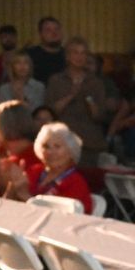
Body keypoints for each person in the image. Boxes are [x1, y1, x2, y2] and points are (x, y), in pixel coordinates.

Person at [43, 36, 117, 166]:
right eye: (75, 52)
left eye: (83, 53)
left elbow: (99, 116)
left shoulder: (95, 82)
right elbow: (50, 112)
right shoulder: (56, 80)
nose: (79, 57)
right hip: (62, 143)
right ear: (67, 56)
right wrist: (71, 95)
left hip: (89, 144)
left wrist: (88, 98)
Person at [31, 122, 93, 212]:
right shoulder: (34, 171)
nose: (50, 152)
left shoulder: (75, 182)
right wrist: (14, 187)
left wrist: (23, 194)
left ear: (71, 151)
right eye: (46, 146)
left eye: (57, 146)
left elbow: (57, 216)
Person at [25, 16, 67, 84]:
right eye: (48, 30)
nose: (54, 32)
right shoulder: (29, 56)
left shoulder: (69, 55)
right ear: (40, 34)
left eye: (57, 29)